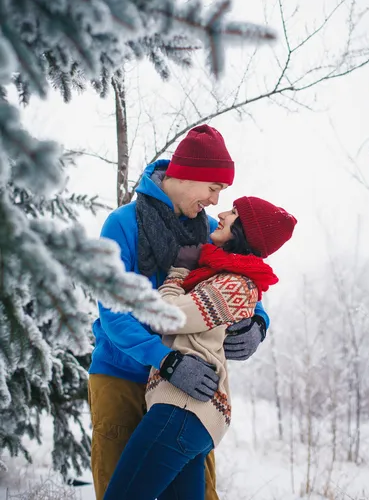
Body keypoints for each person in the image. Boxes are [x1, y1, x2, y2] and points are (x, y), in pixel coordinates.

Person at [88, 126, 270, 500]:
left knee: (200, 491)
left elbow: (239, 268)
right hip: (122, 373)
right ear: (187, 174)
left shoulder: (204, 231)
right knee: (120, 486)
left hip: (186, 388)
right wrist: (166, 360)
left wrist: (258, 322)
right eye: (213, 188)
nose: (216, 200)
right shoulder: (122, 224)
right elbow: (113, 311)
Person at [103, 196, 297, 500]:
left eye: (232, 213)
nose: (220, 213)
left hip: (182, 407)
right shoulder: (224, 275)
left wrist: (178, 272)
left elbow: (165, 316)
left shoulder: (232, 284)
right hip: (191, 414)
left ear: (245, 231)